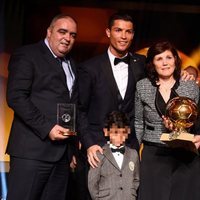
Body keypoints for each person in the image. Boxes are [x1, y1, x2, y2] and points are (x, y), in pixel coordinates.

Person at [6, 14, 78, 200]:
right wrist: (47, 128)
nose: (67, 38)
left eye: (72, 34)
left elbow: (71, 105)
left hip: (62, 156)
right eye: (62, 31)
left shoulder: (72, 63)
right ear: (49, 32)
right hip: (32, 153)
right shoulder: (27, 54)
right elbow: (16, 97)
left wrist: (71, 149)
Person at [78, 12, 146, 169]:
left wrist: (186, 74)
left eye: (128, 31)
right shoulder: (89, 68)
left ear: (133, 35)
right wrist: (89, 143)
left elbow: (164, 75)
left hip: (130, 148)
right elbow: (80, 110)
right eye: (118, 30)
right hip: (97, 148)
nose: (123, 36)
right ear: (108, 32)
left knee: (129, 193)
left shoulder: (141, 64)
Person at [134, 40, 200, 200]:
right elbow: (138, 123)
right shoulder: (142, 86)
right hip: (154, 155)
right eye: (159, 58)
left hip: (185, 156)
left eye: (169, 58)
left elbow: (198, 122)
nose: (165, 63)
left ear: (176, 60)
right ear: (152, 63)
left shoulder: (190, 86)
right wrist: (135, 154)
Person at [88, 111, 139, 200]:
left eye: (123, 132)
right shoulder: (99, 155)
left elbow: (136, 179)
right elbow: (92, 182)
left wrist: (131, 193)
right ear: (106, 132)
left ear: (128, 132)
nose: (119, 137)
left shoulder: (133, 154)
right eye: (115, 132)